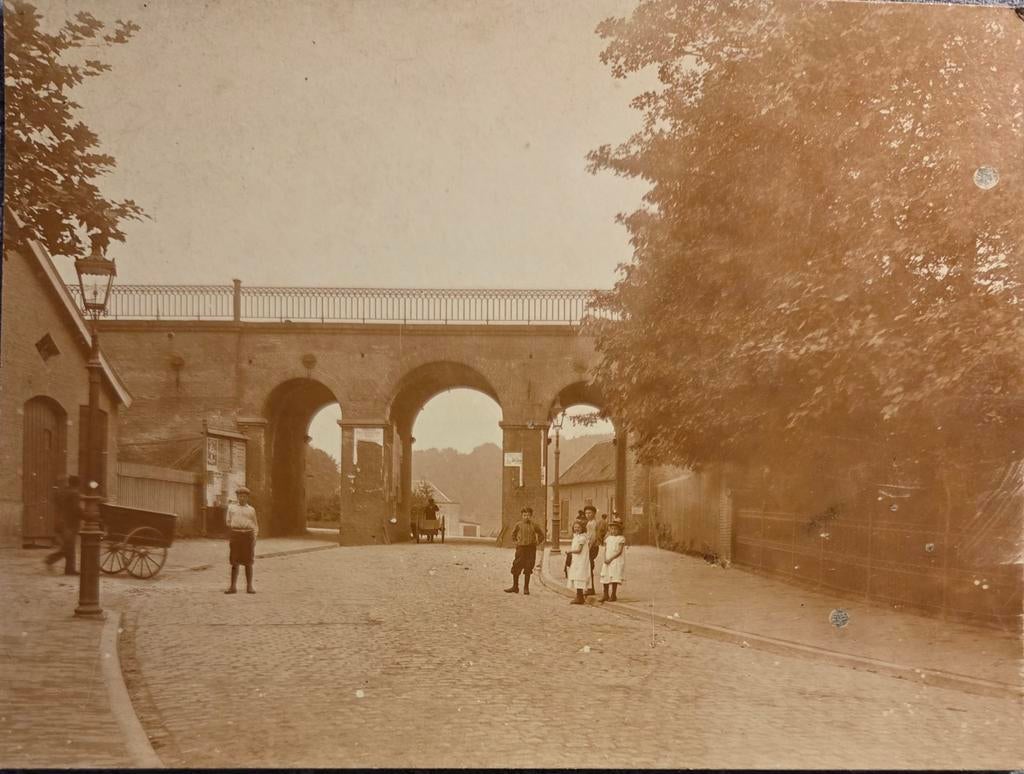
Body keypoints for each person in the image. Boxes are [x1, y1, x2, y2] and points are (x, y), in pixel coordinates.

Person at [225, 485, 259, 594]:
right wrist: (235, 531)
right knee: (234, 562)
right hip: (236, 535)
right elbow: (228, 522)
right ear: (237, 497)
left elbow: (255, 525)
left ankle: (249, 586)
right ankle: (232, 586)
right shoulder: (231, 508)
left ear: (247, 498)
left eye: (244, 496)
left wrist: (254, 537)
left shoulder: (251, 510)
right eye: (240, 496)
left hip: (248, 536)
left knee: (248, 562)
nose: (242, 498)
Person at [44, 476, 80, 575]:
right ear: (77, 484)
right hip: (69, 524)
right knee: (68, 547)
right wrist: (88, 516)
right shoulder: (75, 493)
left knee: (70, 547)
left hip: (61, 522)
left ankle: (70, 570)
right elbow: (76, 509)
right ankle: (50, 560)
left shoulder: (64, 492)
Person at [504, 506, 545, 595]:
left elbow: (541, 535)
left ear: (531, 516)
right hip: (521, 549)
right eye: (524, 515)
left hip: (531, 549)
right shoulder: (518, 525)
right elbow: (513, 534)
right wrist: (516, 542)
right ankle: (515, 587)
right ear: (522, 515)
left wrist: (537, 542)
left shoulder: (534, 525)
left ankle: (526, 588)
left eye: (528, 515)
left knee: (528, 566)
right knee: (517, 565)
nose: (526, 517)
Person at [600, 517, 627, 602]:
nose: (613, 531)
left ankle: (613, 594)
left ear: (619, 530)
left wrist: (611, 559)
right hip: (607, 560)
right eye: (612, 529)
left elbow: (619, 552)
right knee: (606, 576)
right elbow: (605, 549)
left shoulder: (621, 538)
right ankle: (605, 594)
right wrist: (605, 558)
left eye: (615, 529)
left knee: (614, 576)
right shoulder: (608, 539)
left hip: (615, 560)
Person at [565, 520, 591, 605]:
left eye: (579, 527)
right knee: (576, 576)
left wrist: (570, 551)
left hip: (581, 559)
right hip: (576, 559)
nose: (577, 529)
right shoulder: (576, 536)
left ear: (582, 528)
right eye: (575, 527)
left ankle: (580, 597)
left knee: (580, 575)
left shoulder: (582, 538)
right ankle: (579, 596)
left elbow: (579, 550)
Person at [583, 505, 599, 595]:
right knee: (589, 566)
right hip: (591, 546)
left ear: (594, 513)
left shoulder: (592, 523)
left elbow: (592, 537)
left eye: (589, 513)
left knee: (589, 567)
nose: (587, 515)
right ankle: (590, 587)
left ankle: (591, 588)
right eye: (586, 513)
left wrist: (588, 548)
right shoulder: (590, 522)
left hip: (592, 547)